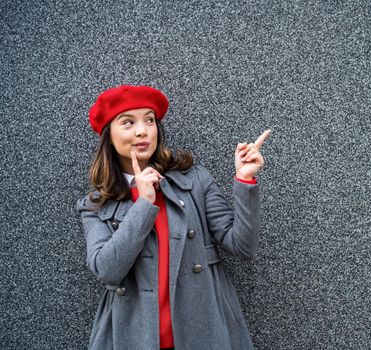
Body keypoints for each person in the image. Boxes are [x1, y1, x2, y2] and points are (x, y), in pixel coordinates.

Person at [75, 85, 270, 350]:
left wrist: (244, 180)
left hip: (204, 333)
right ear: (109, 135)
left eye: (149, 120)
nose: (142, 130)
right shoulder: (95, 205)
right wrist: (144, 203)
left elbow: (242, 246)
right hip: (133, 337)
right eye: (128, 122)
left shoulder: (195, 181)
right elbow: (107, 270)